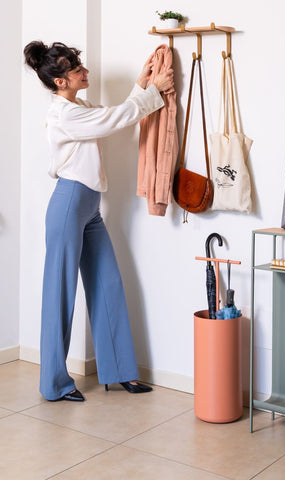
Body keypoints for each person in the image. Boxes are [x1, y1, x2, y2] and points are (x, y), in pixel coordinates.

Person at [23, 41, 174, 402]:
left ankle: (119, 370)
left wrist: (142, 84)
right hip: (70, 204)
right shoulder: (64, 115)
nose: (85, 72)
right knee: (60, 294)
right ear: (61, 82)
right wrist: (154, 90)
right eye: (77, 70)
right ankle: (54, 384)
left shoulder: (79, 107)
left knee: (107, 283)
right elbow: (115, 119)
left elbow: (112, 113)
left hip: (88, 207)